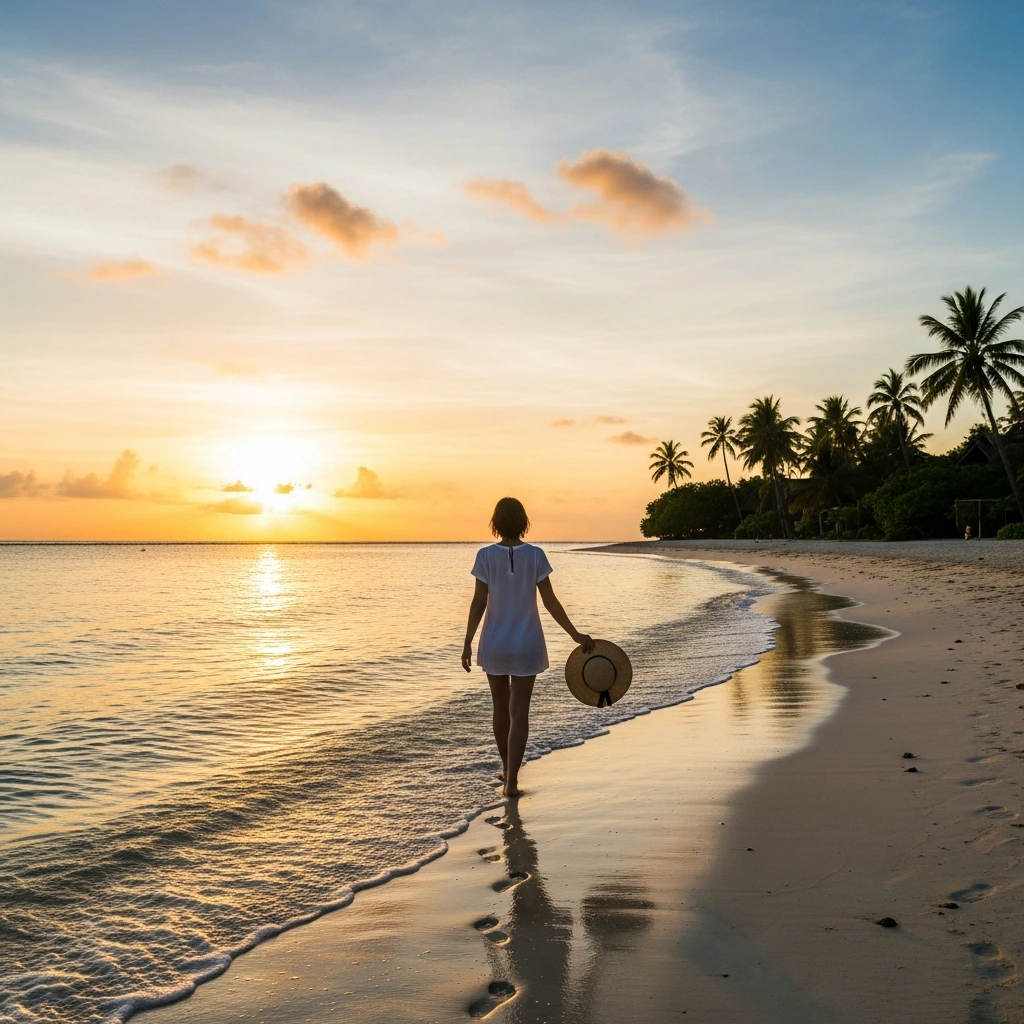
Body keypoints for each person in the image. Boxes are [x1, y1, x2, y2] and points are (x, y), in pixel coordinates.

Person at [462, 497, 595, 798]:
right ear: (523, 522)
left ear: (495, 523)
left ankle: (506, 769)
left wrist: (468, 641)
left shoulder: (484, 556)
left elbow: (478, 602)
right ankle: (511, 782)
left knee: (500, 709)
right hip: (527, 643)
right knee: (519, 712)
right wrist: (575, 634)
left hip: (495, 643)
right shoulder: (535, 555)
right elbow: (550, 601)